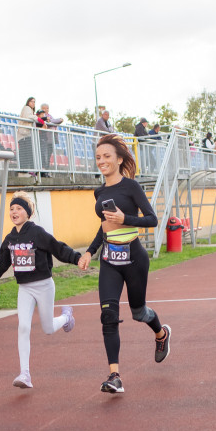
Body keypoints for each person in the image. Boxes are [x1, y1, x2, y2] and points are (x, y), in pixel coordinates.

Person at [77, 134, 171, 394]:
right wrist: (89, 252)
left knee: (138, 313)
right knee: (108, 316)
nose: (102, 161)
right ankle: (114, 376)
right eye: (98, 157)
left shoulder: (132, 187)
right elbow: (105, 226)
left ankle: (161, 334)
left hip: (134, 260)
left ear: (119, 159)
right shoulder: (100, 192)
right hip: (109, 260)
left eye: (107, 156)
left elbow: (152, 219)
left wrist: (125, 218)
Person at [0, 193, 78, 389]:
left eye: (19, 208)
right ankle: (25, 374)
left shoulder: (37, 233)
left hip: (44, 285)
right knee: (23, 327)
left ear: (28, 213)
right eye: (12, 209)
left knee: (47, 329)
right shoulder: (10, 238)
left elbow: (58, 248)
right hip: (25, 288)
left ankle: (66, 317)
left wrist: (76, 257)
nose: (14, 212)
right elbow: (1, 262)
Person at [17, 97, 36, 171]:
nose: (33, 103)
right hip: (23, 135)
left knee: (27, 153)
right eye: (32, 101)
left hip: (26, 134)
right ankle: (23, 170)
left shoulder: (31, 110)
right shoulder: (26, 108)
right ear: (28, 102)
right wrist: (37, 118)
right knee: (24, 153)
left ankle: (26, 170)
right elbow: (28, 117)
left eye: (34, 102)